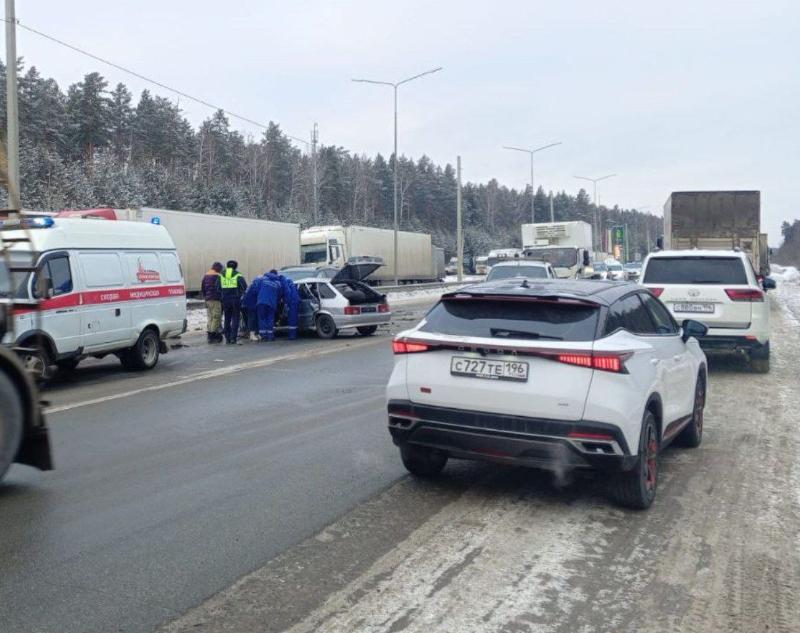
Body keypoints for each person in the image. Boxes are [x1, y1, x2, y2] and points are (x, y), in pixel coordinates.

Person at [220, 260, 247, 345]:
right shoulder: (237, 275)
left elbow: (217, 287)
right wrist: (239, 293)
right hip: (235, 300)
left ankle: (227, 338)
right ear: (236, 266)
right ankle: (233, 338)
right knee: (235, 319)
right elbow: (244, 286)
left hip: (225, 300)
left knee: (227, 318)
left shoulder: (221, 275)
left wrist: (223, 294)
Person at [201, 262, 223, 343]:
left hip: (208, 299)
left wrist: (206, 296)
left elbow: (202, 287)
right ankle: (213, 334)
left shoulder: (206, 275)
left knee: (210, 317)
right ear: (218, 268)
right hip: (215, 299)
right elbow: (220, 288)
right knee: (216, 317)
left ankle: (210, 333)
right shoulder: (218, 276)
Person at [257, 270, 282, 341]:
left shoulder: (262, 280)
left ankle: (263, 336)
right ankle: (270, 336)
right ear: (276, 275)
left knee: (262, 318)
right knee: (270, 319)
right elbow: (280, 294)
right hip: (272, 303)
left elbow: (256, 289)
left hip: (261, 302)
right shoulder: (278, 283)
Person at [241, 273, 263, 342]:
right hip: (250, 304)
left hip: (244, 304)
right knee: (252, 318)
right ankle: (252, 334)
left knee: (251, 319)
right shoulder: (257, 286)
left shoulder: (252, 285)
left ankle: (254, 333)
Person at [279, 272, 301, 340]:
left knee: (292, 318)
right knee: (293, 318)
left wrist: (286, 302)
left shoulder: (283, 282)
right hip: (295, 299)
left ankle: (292, 336)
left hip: (292, 301)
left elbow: (287, 292)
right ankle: (293, 334)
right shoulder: (289, 280)